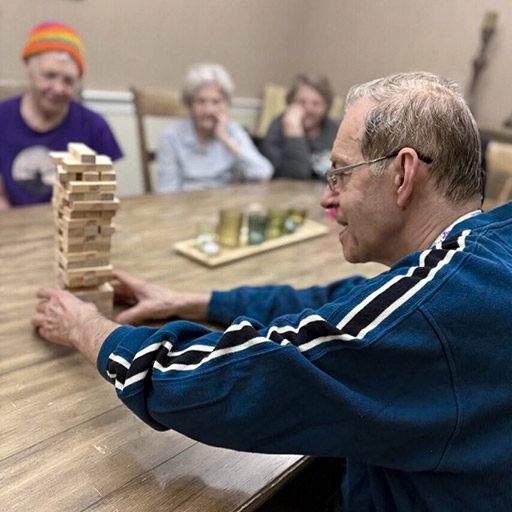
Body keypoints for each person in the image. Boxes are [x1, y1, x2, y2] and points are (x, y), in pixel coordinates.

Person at [32, 71, 512, 511]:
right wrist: (192, 301)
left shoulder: (431, 313)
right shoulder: (481, 254)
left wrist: (86, 327)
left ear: (403, 175)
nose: (327, 198)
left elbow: (219, 382)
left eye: (340, 173)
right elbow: (341, 301)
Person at [0, 22, 123, 210]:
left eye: (68, 80)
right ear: (27, 68)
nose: (58, 89)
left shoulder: (96, 127)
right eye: (49, 75)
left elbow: (101, 195)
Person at [157, 63, 272, 192]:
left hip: (226, 205)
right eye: (201, 102)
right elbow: (167, 190)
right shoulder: (171, 135)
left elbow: (263, 173)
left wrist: (226, 139)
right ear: (190, 104)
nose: (209, 110)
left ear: (227, 104)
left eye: (216, 102)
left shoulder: (232, 130)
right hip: (187, 206)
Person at [261, 74, 339, 180]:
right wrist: (293, 131)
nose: (308, 109)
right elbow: (297, 173)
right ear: (290, 103)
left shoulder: (333, 130)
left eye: (316, 104)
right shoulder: (278, 127)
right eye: (301, 102)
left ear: (326, 108)